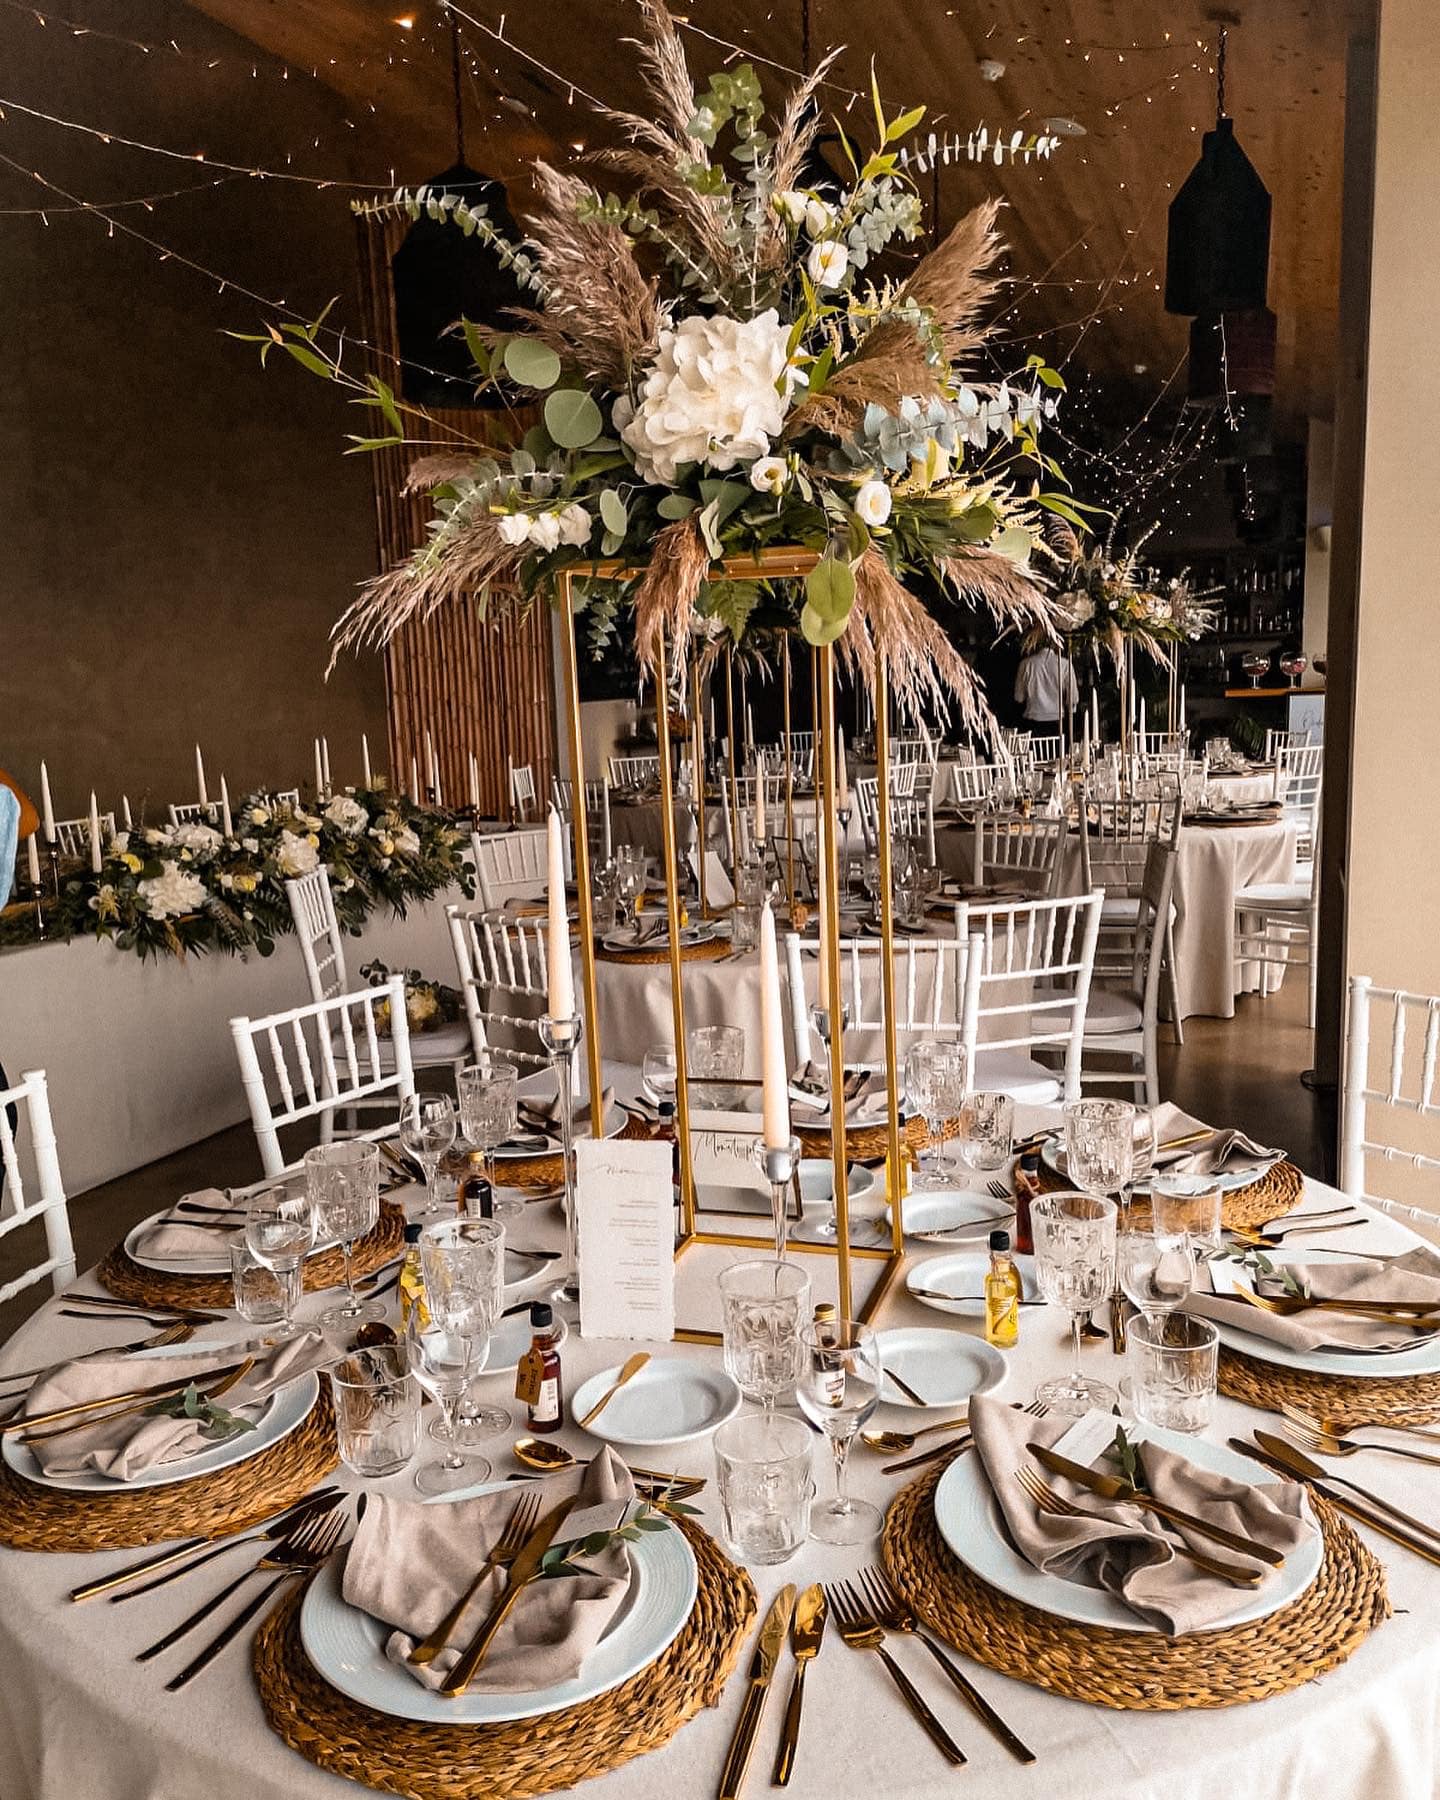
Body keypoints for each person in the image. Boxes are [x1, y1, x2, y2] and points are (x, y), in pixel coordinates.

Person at [1013, 645, 1077, 736]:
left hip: (1032, 720)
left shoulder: (1026, 664)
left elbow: (1018, 697)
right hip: (1057, 721)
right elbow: (1072, 699)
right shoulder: (1065, 664)